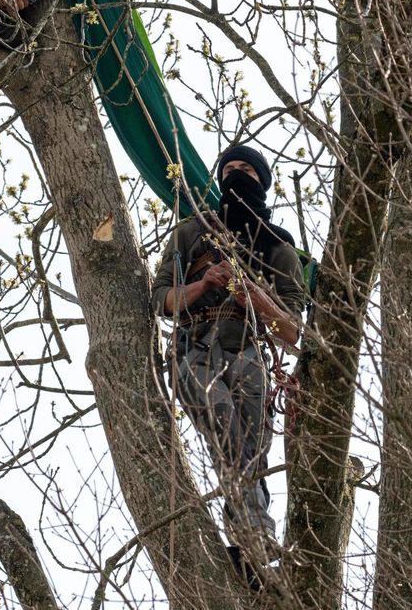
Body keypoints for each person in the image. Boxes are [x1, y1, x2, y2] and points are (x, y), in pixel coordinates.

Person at [151, 145, 306, 561]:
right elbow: (160, 297)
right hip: (195, 350)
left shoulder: (279, 251)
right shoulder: (192, 233)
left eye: (247, 171)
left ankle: (244, 548)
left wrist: (255, 297)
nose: (237, 175)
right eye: (229, 170)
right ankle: (255, 537)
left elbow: (292, 332)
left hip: (250, 355)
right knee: (228, 430)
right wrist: (202, 285)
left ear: (262, 182)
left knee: (250, 453)